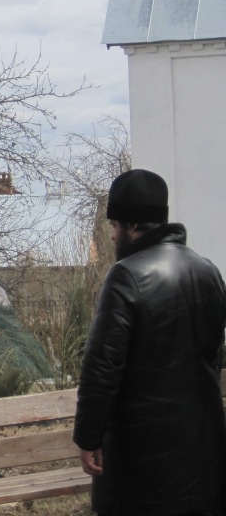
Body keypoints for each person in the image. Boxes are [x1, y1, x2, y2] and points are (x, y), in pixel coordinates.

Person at [73, 168, 226, 516]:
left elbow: (101, 368)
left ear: (131, 226)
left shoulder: (126, 276)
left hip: (141, 457)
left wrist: (88, 438)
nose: (112, 236)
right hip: (205, 448)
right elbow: (214, 356)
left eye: (114, 226)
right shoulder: (209, 271)